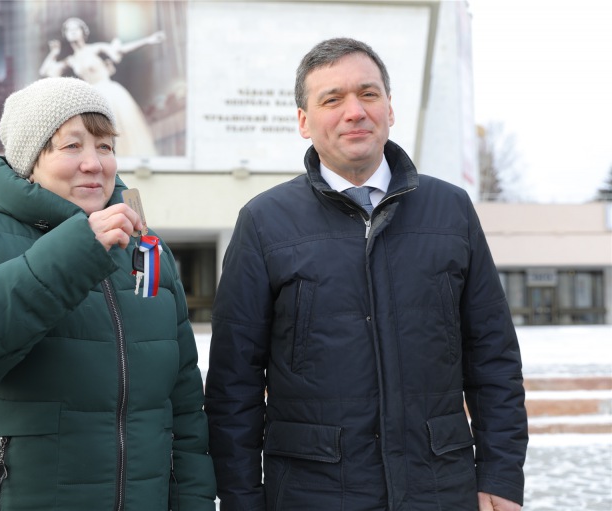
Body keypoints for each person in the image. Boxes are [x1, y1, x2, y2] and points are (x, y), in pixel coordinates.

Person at [205, 38, 527, 511]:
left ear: (390, 109)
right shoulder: (264, 222)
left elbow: (493, 357)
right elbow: (234, 385)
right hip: (311, 496)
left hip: (439, 491)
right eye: (332, 99)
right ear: (303, 121)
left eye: (368, 94)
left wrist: (500, 476)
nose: (354, 111)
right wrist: (241, 499)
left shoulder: (452, 210)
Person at [0, 77, 215, 510]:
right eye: (72, 146)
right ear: (29, 160)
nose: (94, 163)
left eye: (105, 146)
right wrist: (74, 252)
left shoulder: (147, 250)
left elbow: (182, 410)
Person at [39, 17, 164, 156]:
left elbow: (120, 50)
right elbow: (45, 71)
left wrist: (148, 40)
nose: (72, 31)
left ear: (83, 32)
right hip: (93, 97)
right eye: (69, 30)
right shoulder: (72, 60)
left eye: (76, 28)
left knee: (120, 126)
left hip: (110, 92)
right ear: (66, 35)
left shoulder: (96, 48)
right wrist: (54, 53)